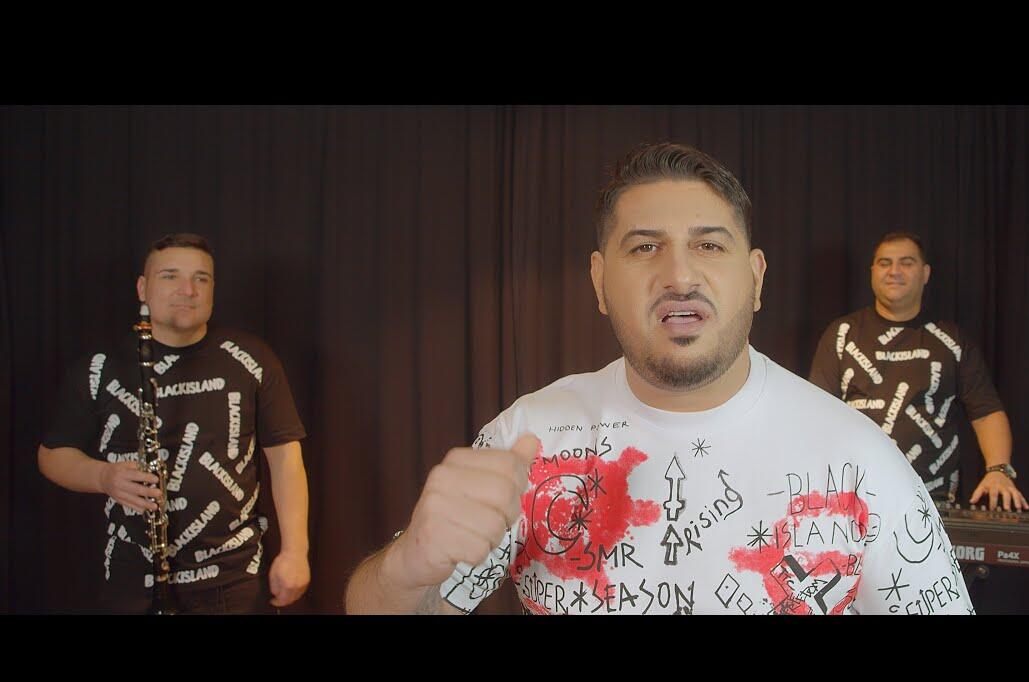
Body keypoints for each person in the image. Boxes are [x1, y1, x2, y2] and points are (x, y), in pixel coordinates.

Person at [346, 143, 973, 615]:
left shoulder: (860, 459)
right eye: (644, 247)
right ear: (599, 281)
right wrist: (405, 567)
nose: (679, 276)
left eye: (709, 246)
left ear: (756, 278)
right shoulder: (528, 439)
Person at [38, 233, 311, 613]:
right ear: (142, 288)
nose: (188, 290)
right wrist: (102, 476)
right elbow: (52, 455)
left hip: (235, 579)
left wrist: (296, 551)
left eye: (201, 278)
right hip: (132, 580)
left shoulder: (251, 358)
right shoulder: (100, 367)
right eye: (170, 276)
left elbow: (285, 459)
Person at [808, 232, 1027, 511]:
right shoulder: (843, 334)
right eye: (885, 263)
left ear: (925, 273)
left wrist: (999, 470)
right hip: (853, 498)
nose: (894, 271)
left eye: (906, 263)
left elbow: (986, 412)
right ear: (873, 272)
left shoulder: (951, 341)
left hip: (930, 504)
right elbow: (817, 412)